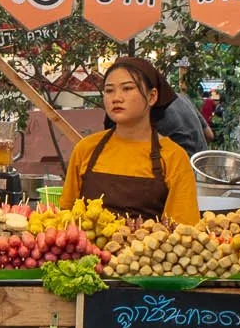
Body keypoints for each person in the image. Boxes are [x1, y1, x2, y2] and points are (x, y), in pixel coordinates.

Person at [59, 56, 199, 225]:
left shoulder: (173, 157)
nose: (116, 98)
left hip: (146, 251)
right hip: (87, 251)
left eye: (127, 88)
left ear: (152, 96)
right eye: (109, 90)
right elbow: (65, 215)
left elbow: (181, 230)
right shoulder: (86, 148)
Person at [154, 89, 211, 157]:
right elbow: (209, 135)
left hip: (179, 164)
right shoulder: (183, 98)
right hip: (202, 162)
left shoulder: (152, 109)